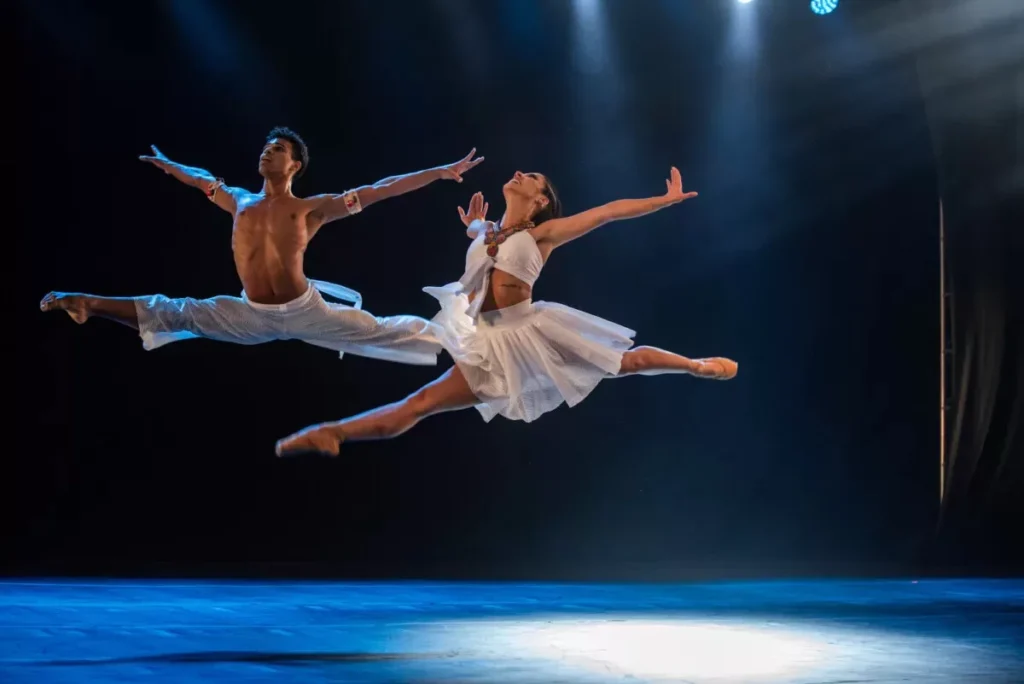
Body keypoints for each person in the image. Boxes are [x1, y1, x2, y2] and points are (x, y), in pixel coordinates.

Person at [275, 166, 738, 456]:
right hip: (486, 343)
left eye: (531, 177)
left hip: (532, 331)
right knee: (420, 404)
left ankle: (695, 365)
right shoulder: (487, 231)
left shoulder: (543, 234)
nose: (519, 173)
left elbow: (607, 213)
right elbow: (482, 238)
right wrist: (472, 226)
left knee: (625, 362)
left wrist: (662, 201)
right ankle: (334, 432)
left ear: (541, 200)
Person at [40, 127, 483, 365]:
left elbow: (379, 189)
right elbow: (200, 179)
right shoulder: (238, 201)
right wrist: (171, 165)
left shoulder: (311, 209)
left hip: (307, 311)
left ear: (295, 165)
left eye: (277, 149)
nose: (267, 152)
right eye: (266, 148)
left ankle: (472, 339)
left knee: (382, 328)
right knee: (178, 311)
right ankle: (87, 304)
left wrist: (438, 172)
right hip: (250, 314)